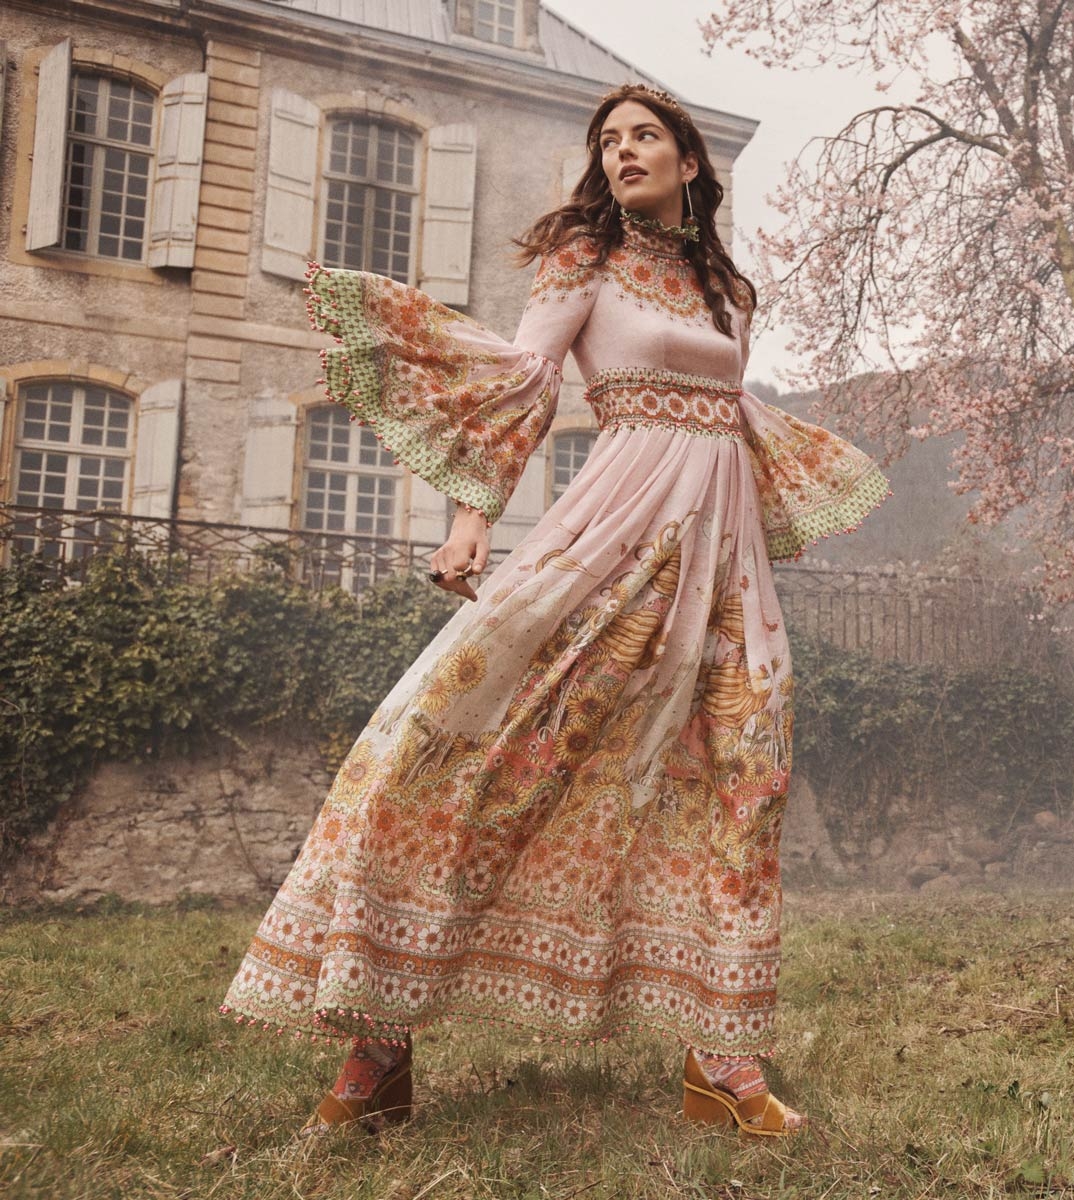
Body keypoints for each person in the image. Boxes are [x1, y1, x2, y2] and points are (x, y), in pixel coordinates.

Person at [216, 83, 889, 1139]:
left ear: (689, 161)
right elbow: (527, 377)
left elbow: (729, 415)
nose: (624, 152)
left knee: (740, 780)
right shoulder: (584, 256)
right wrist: (473, 518)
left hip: (719, 570)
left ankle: (723, 1065)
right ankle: (377, 1052)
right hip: (608, 538)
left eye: (644, 136)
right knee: (473, 752)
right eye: (609, 140)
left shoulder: (727, 289)